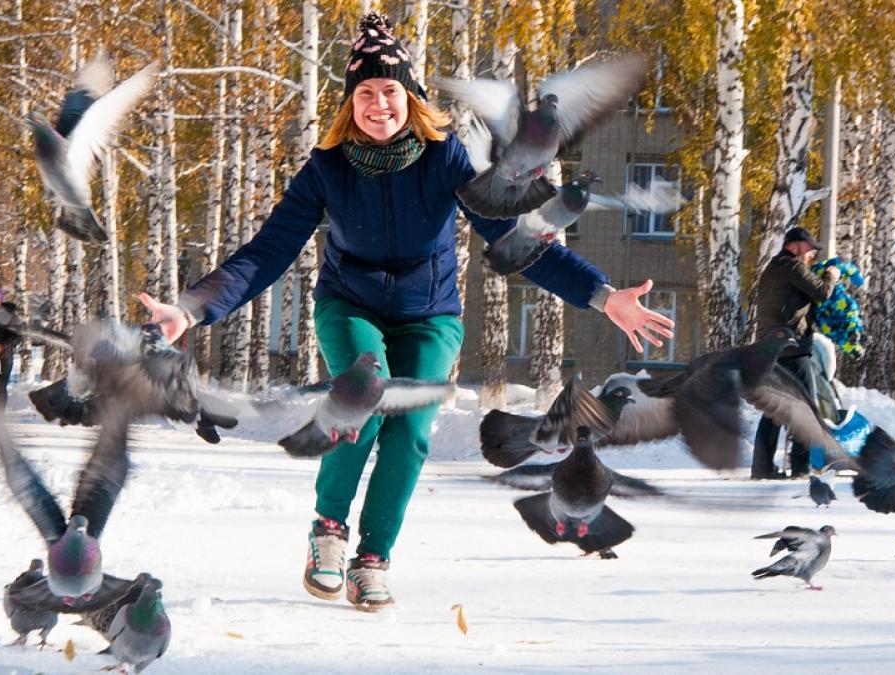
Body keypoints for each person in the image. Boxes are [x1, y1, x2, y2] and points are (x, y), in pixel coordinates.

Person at [139, 13, 674, 611]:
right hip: (350, 307)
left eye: (389, 90)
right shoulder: (328, 167)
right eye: (364, 92)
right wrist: (193, 307)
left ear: (410, 97)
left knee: (413, 428)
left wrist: (602, 295)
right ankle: (330, 529)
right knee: (360, 402)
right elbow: (268, 252)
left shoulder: (445, 160)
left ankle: (373, 557)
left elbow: (513, 240)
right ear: (350, 103)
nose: (378, 103)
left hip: (430, 315)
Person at [751, 227, 841, 480]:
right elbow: (822, 292)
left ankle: (762, 468)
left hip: (770, 349)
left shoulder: (772, 269)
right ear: (793, 246)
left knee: (775, 410)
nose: (811, 254)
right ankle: (800, 468)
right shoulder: (792, 267)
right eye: (808, 248)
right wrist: (832, 275)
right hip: (792, 348)